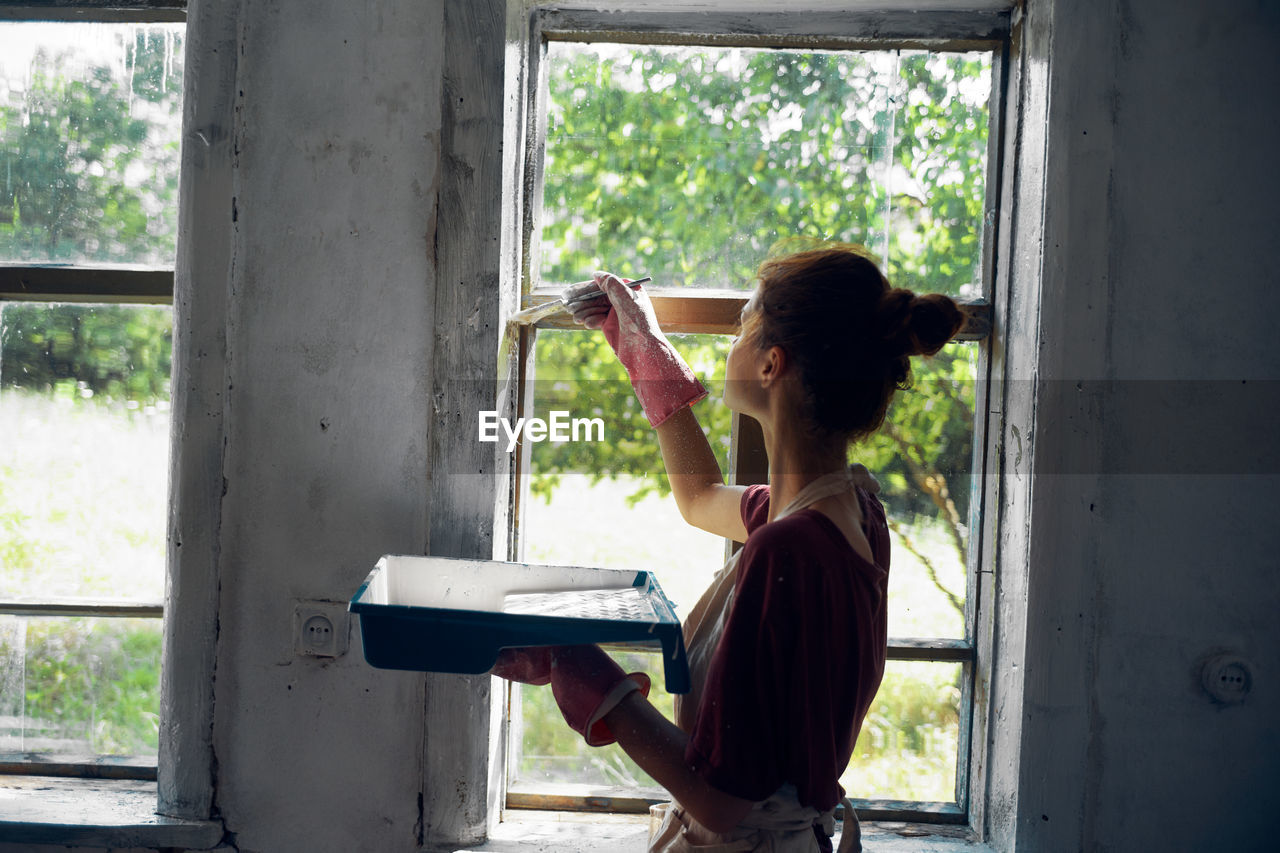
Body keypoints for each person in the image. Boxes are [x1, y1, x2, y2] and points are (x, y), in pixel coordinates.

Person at [492, 246, 964, 852]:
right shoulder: (851, 513)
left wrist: (581, 670)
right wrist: (645, 350)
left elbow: (718, 797)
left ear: (771, 365)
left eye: (744, 322)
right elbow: (700, 496)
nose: (731, 338)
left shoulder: (788, 550)